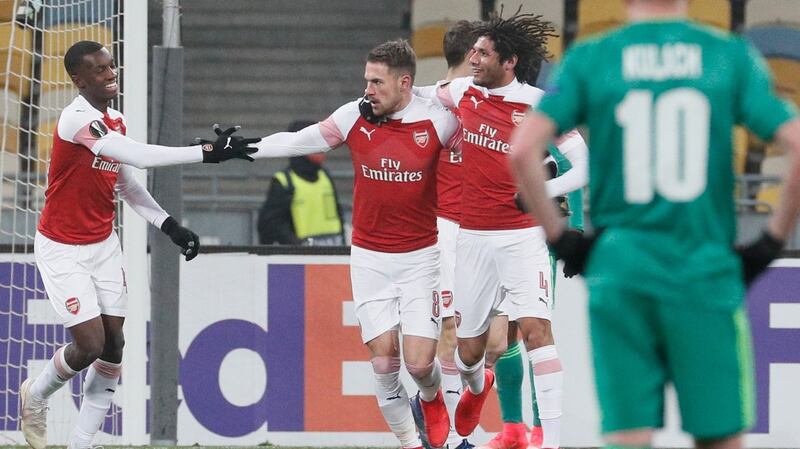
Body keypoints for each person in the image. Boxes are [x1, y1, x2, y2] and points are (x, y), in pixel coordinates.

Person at [509, 1, 800, 449]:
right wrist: (771, 241)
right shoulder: (727, 55)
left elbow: (521, 149)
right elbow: (796, 143)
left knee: (629, 436)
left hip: (621, 268)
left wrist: (563, 240)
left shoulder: (592, 56)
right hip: (704, 268)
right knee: (719, 436)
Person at [18, 40, 259, 449]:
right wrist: (205, 153)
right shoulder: (76, 119)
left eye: (112, 66)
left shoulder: (117, 120)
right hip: (62, 248)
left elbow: (126, 182)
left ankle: (82, 443)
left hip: (103, 245)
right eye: (99, 70)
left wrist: (168, 224)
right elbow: (140, 157)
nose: (111, 74)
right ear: (78, 79)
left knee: (114, 346)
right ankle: (36, 395)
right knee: (90, 344)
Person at [249, 39, 460, 449]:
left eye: (377, 83)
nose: (368, 90)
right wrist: (243, 150)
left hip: (421, 258)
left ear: (405, 83)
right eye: (366, 81)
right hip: (369, 257)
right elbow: (298, 142)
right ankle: (409, 443)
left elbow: (478, 161)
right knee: (384, 360)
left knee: (419, 365)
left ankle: (431, 399)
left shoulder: (439, 122)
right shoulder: (353, 117)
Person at [415, 12, 585, 449]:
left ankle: (550, 442)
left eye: (482, 53)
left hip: (522, 237)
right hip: (471, 239)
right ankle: (476, 388)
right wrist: (374, 103)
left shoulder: (539, 105)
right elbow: (416, 94)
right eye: (472, 50)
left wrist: (542, 191)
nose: (472, 58)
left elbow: (584, 166)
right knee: (470, 352)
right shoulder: (461, 92)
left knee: (536, 332)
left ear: (508, 62)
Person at [407, 19, 477, 449]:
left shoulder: (484, 102)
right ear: (473, 56)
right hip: (442, 230)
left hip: (482, 230)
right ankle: (451, 438)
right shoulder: (426, 102)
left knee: (486, 344)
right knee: (450, 328)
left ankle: (430, 408)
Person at [256, 120, 345, 246]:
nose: (323, 147)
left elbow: (338, 215)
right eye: (316, 142)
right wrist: (296, 245)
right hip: (302, 260)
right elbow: (270, 225)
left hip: (333, 256)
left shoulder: (325, 176)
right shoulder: (284, 182)